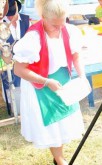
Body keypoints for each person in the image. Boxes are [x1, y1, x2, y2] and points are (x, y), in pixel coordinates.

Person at [12, 0, 89, 164]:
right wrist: (46, 81)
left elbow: (76, 55)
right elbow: (18, 70)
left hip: (62, 82)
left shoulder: (69, 31)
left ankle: (59, 158)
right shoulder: (33, 38)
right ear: (43, 17)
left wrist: (82, 76)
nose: (60, 28)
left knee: (63, 122)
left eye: (63, 23)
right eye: (55, 25)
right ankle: (60, 160)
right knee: (53, 125)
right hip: (40, 85)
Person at [1, 0, 30, 114]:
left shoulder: (27, 20)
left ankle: (27, 106)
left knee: (27, 84)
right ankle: (14, 108)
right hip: (7, 62)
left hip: (26, 62)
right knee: (10, 84)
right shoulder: (1, 24)